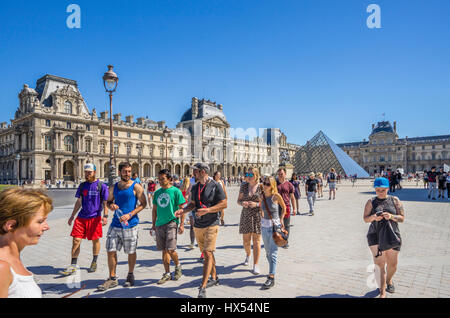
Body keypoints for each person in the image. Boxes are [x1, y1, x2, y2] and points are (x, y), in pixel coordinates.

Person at [174, 163, 227, 298]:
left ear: (203, 172)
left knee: (208, 253)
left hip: (212, 223)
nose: (194, 174)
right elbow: (192, 204)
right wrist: (183, 210)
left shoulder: (215, 185)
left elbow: (224, 204)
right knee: (207, 253)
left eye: (196, 171)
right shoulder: (195, 187)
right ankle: (214, 277)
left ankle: (202, 286)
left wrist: (208, 210)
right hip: (198, 225)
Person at [97, 162, 147, 291]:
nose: (127, 174)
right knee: (110, 250)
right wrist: (111, 206)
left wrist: (130, 214)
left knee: (131, 251)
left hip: (130, 224)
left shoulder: (136, 187)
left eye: (129, 171)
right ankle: (112, 278)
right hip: (115, 223)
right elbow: (108, 202)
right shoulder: (114, 187)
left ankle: (130, 275)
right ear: (120, 172)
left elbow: (143, 204)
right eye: (125, 171)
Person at [0, 188, 53, 298]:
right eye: (40, 221)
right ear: (11, 226)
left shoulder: (15, 258)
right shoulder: (2, 268)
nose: (47, 227)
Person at [60, 164, 109, 276]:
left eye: (89, 172)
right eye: (86, 172)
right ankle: (73, 265)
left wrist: (105, 216)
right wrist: (72, 216)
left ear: (94, 172)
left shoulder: (102, 186)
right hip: (81, 217)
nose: (87, 174)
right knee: (76, 240)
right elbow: (79, 202)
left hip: (95, 217)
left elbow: (105, 203)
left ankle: (94, 261)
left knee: (95, 240)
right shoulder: (82, 186)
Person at [364, 177, 405, 298]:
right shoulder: (370, 201)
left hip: (392, 234)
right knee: (379, 265)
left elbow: (402, 218)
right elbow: (365, 219)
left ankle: (389, 280)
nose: (380, 192)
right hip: (375, 235)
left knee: (393, 264)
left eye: (383, 190)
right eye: (378, 190)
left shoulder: (395, 200)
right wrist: (373, 218)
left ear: (388, 188)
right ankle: (382, 293)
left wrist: (391, 216)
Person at [151, 169, 186, 284]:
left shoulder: (176, 191)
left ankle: (178, 265)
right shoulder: (157, 193)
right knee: (164, 250)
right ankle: (167, 273)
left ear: (170, 179)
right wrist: (153, 225)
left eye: (163, 179)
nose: (160, 181)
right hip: (160, 223)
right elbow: (154, 210)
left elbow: (182, 209)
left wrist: (181, 224)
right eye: (159, 179)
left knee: (170, 249)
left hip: (172, 222)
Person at [259, 176, 286, 290]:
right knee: (267, 252)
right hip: (264, 226)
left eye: (268, 184)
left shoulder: (276, 196)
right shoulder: (262, 196)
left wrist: (281, 219)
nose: (265, 185)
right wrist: (261, 213)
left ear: (273, 185)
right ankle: (272, 269)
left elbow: (284, 208)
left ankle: (271, 276)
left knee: (273, 253)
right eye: (264, 183)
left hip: (274, 227)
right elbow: (261, 208)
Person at [237, 167, 262, 274]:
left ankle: (256, 265)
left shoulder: (261, 187)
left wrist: (257, 204)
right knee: (246, 241)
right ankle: (248, 254)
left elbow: (266, 203)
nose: (248, 176)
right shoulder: (244, 186)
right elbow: (238, 201)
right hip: (246, 215)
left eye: (251, 175)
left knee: (256, 241)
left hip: (257, 215)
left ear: (256, 175)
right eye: (248, 174)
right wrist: (242, 203)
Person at [276, 168, 296, 249]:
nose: (280, 175)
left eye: (282, 174)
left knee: (286, 225)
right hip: (276, 206)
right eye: (279, 174)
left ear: (285, 174)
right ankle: (278, 240)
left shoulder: (289, 184)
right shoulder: (274, 184)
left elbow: (292, 197)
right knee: (277, 225)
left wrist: (294, 208)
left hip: (286, 206)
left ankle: (285, 241)